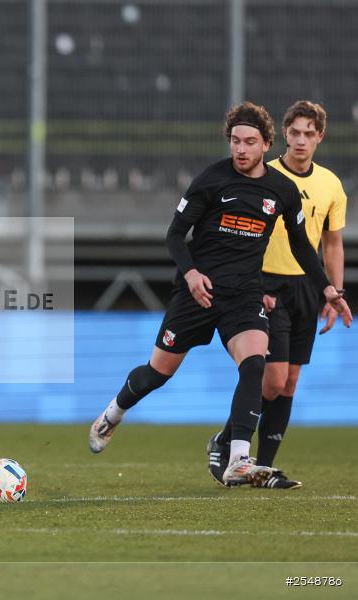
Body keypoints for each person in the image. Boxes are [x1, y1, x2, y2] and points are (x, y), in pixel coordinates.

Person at [88, 102, 351, 487]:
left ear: (265, 144)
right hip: (199, 293)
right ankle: (113, 412)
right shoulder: (212, 180)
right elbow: (175, 235)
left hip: (245, 295)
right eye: (234, 141)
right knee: (157, 374)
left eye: (249, 142)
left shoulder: (282, 191)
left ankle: (238, 459)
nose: (240, 149)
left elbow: (301, 246)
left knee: (255, 363)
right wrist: (192, 273)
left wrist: (328, 288)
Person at [207, 101, 348, 488]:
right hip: (266, 283)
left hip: (306, 287)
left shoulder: (331, 185)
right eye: (295, 132)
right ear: (283, 135)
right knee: (270, 381)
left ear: (320, 137)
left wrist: (334, 292)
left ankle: (262, 469)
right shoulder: (262, 175)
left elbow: (331, 243)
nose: (301, 140)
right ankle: (226, 441)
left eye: (309, 133)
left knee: (289, 384)